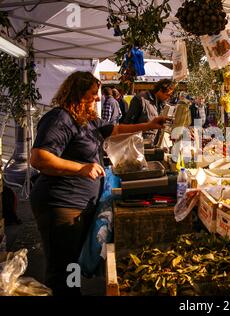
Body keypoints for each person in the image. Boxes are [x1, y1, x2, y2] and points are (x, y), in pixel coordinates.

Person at [29, 71, 167, 296]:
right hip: (61, 203)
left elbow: (115, 130)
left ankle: (73, 293)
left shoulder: (86, 119)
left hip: (80, 203)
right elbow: (40, 158)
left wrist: (149, 124)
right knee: (64, 266)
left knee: (72, 261)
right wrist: (81, 168)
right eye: (92, 94)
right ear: (76, 93)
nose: (97, 99)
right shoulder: (59, 118)